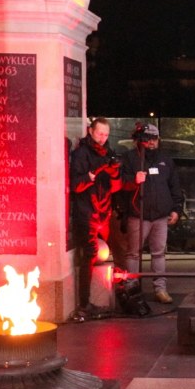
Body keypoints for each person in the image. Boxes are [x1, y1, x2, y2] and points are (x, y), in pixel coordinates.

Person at [120, 123, 184, 304]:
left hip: (160, 215)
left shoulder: (165, 159)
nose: (152, 143)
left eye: (155, 139)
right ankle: (131, 289)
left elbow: (175, 186)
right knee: (133, 254)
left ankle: (160, 289)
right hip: (137, 214)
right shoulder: (129, 158)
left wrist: (176, 209)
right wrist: (134, 180)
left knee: (158, 253)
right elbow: (119, 185)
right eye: (148, 139)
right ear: (140, 140)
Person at [68, 117, 122, 320]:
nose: (103, 138)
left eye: (106, 135)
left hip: (103, 210)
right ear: (90, 131)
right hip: (87, 211)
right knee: (90, 255)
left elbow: (115, 187)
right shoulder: (81, 153)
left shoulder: (108, 153)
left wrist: (115, 172)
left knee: (102, 254)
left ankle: (97, 299)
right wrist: (92, 174)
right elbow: (76, 185)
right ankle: (84, 303)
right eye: (100, 134)